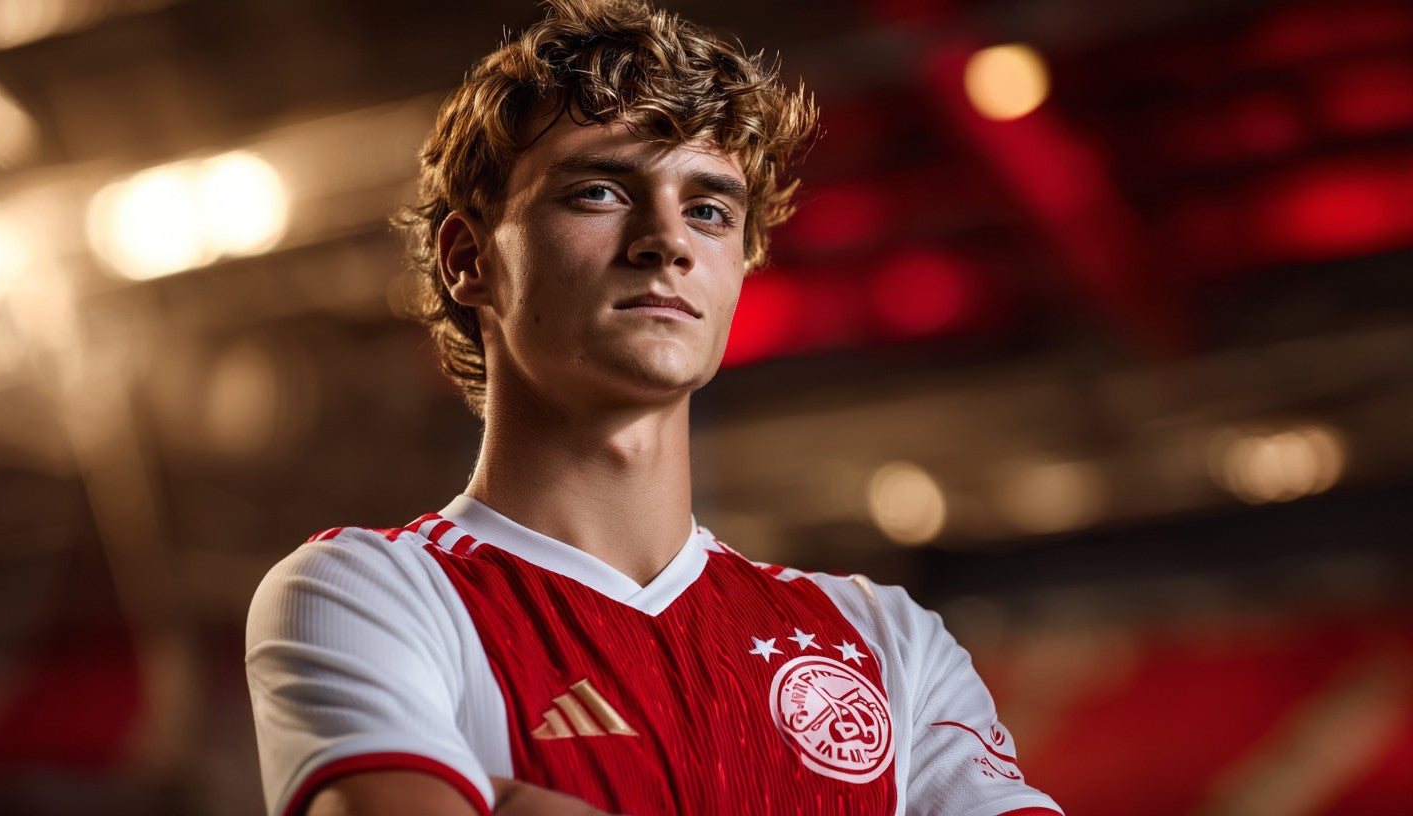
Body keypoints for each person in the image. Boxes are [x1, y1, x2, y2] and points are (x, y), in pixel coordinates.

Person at [244, 1, 1064, 814]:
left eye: (709, 210)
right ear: (470, 260)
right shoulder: (367, 592)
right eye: (599, 192)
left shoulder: (890, 642)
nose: (667, 240)